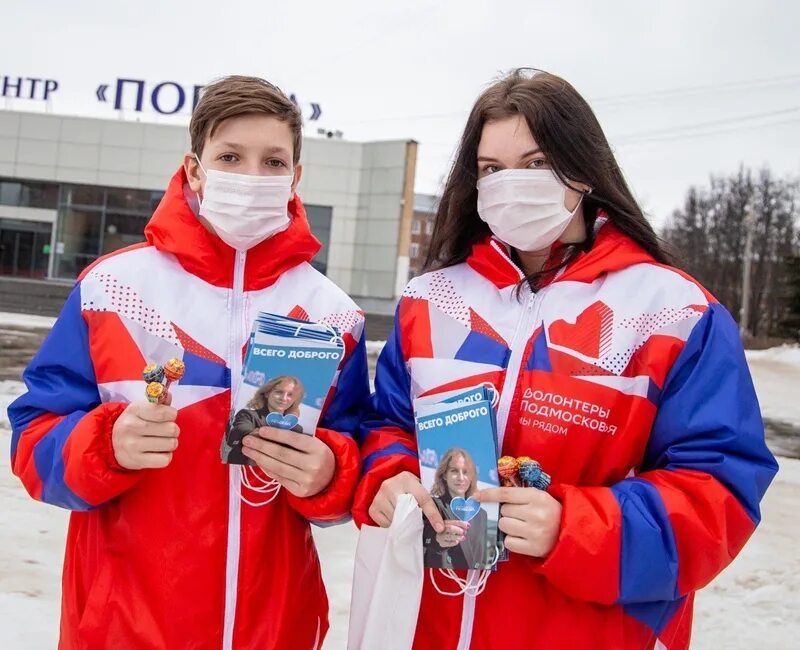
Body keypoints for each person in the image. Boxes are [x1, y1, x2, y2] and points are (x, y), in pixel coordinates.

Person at [353, 69, 778, 650]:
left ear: (580, 169)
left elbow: (719, 493)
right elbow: (389, 429)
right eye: (491, 169)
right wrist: (388, 476)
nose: (511, 184)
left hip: (589, 630)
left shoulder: (672, 310)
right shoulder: (430, 301)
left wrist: (573, 527)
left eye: (535, 163)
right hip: (433, 622)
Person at [8, 75, 369, 649]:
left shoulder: (334, 315)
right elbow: (33, 440)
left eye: (273, 161)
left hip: (274, 630)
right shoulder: (111, 288)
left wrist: (329, 473)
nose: (252, 176)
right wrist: (102, 444)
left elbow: (355, 454)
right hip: (123, 629)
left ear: (296, 177)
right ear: (195, 169)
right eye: (230, 156)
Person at [422, 448, 489, 570]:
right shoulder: (433, 505)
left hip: (474, 581)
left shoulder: (481, 514)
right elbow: (423, 537)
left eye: (466, 472)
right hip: (439, 576)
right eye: (454, 471)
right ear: (444, 475)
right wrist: (437, 538)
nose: (461, 477)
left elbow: (482, 556)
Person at [226, 376, 305, 464]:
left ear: (295, 400)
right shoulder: (248, 415)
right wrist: (253, 434)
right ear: (267, 393)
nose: (284, 398)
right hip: (244, 470)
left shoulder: (296, 429)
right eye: (279, 392)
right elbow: (238, 431)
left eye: (290, 395)